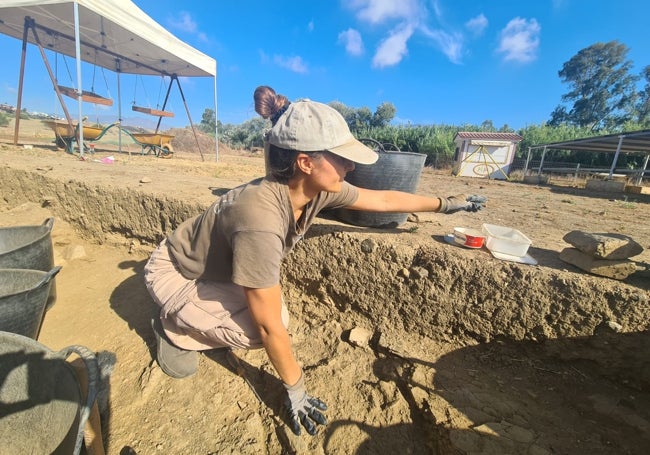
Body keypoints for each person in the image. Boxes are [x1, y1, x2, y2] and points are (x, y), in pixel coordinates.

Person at [143, 85, 486, 436]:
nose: (350, 167)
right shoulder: (260, 220)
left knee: (278, 318)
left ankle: (193, 318)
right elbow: (267, 329)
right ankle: (173, 330)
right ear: (306, 162)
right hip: (176, 273)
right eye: (342, 158)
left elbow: (381, 200)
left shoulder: (313, 190)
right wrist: (296, 390)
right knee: (258, 331)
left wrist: (446, 203)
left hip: (210, 269)